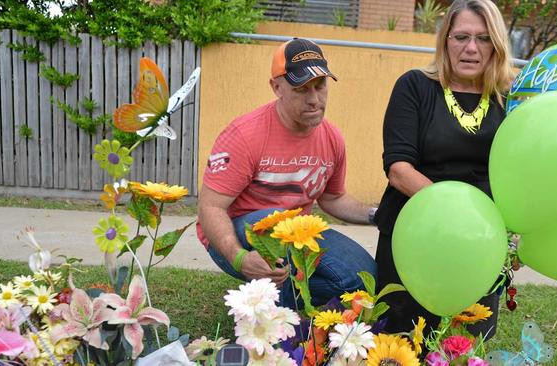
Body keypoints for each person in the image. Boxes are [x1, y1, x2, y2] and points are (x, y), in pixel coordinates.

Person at [197, 38, 378, 309]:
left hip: (296, 236)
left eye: (320, 86)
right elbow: (210, 208)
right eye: (302, 89)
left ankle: (280, 292)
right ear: (276, 87)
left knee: (364, 277)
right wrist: (239, 258)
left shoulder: (331, 138)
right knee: (272, 225)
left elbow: (333, 198)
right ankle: (278, 329)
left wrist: (379, 214)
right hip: (234, 236)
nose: (315, 100)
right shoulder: (245, 135)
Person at [374, 0, 515, 336]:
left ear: (496, 45)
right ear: (445, 41)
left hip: (480, 240)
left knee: (466, 345)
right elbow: (399, 168)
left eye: (483, 39)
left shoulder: (509, 98)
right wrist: (456, 213)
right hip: (413, 233)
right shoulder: (415, 86)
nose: (471, 48)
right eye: (460, 37)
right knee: (403, 343)